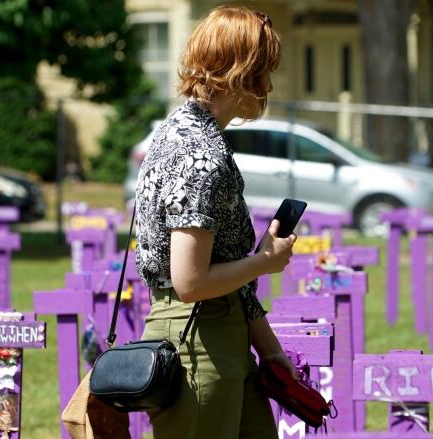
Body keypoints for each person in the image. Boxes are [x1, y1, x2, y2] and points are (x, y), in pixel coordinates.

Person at [134, 5, 298, 439]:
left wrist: (269, 350)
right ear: (243, 73)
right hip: (197, 343)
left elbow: (224, 269)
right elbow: (190, 282)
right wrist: (266, 260)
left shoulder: (180, 133)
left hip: (220, 335)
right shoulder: (199, 154)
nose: (268, 86)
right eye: (265, 70)